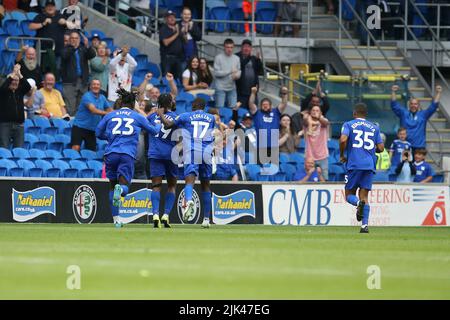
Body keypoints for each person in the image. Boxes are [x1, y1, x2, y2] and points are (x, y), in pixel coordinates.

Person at [95, 88, 161, 228]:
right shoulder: (137, 116)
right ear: (133, 104)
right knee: (123, 186)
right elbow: (154, 131)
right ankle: (122, 190)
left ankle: (116, 220)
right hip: (126, 154)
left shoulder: (110, 115)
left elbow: (98, 132)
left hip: (110, 154)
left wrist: (111, 137)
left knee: (112, 186)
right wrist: (158, 123)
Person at [158, 97, 215, 229]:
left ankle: (189, 201)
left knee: (189, 181)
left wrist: (160, 113)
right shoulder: (211, 118)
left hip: (192, 151)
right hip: (206, 152)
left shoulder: (185, 116)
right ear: (204, 106)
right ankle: (206, 219)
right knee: (206, 186)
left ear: (194, 105)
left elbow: (168, 125)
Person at [340, 103, 384, 234]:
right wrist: (370, 150)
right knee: (365, 195)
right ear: (366, 114)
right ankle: (364, 226)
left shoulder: (348, 124)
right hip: (369, 165)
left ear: (354, 113)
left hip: (354, 164)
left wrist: (342, 154)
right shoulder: (374, 127)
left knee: (349, 195)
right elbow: (381, 148)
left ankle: (358, 203)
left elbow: (343, 140)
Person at [147, 93, 179, 228]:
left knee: (156, 186)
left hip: (155, 154)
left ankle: (155, 214)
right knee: (172, 185)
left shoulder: (151, 117)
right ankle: (165, 215)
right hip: (171, 155)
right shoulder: (176, 118)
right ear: (170, 103)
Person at [391, 85, 442, 151]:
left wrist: (439, 93)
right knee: (406, 161)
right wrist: (393, 91)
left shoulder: (423, 115)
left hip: (419, 147)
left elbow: (434, 106)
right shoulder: (404, 113)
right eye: (412, 104)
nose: (413, 106)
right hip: (405, 147)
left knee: (418, 161)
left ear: (418, 105)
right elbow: (394, 105)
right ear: (409, 105)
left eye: (415, 104)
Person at [249, 86, 288, 165]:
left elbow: (284, 103)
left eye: (267, 104)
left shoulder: (276, 112)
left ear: (271, 105)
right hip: (260, 146)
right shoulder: (257, 113)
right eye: (263, 104)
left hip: (273, 146)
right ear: (260, 106)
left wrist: (285, 93)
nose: (265, 106)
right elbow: (251, 103)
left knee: (273, 168)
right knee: (261, 169)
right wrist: (253, 93)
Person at [61, 30, 97, 116]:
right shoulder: (65, 49)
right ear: (69, 40)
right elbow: (65, 56)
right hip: (70, 83)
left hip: (82, 81)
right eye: (72, 38)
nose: (74, 40)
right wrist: (73, 48)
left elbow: (92, 55)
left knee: (81, 107)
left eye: (76, 38)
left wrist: (87, 45)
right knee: (70, 108)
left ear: (79, 39)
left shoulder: (83, 48)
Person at [71, 79, 112, 151]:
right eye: (94, 84)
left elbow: (109, 109)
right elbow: (93, 110)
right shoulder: (86, 96)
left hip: (92, 130)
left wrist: (116, 113)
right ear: (90, 86)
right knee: (76, 148)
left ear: (100, 87)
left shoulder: (102, 97)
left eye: (97, 84)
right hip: (79, 127)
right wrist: (108, 113)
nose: (95, 86)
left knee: (91, 152)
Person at [0, 64, 32, 148]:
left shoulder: (20, 91)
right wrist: (13, 74)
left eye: (16, 80)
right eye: (12, 80)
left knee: (19, 149)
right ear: (8, 80)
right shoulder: (4, 92)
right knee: (4, 148)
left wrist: (19, 74)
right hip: (5, 125)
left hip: (19, 125)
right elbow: (3, 87)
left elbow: (28, 87)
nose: (14, 82)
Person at [29, 0, 67, 65]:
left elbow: (73, 26)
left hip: (58, 51)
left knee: (56, 72)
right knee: (42, 71)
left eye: (52, 6)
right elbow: (30, 27)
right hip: (43, 51)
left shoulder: (61, 16)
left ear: (55, 7)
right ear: (45, 8)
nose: (50, 8)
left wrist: (66, 22)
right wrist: (43, 24)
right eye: (48, 6)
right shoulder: (40, 16)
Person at [303, 105, 330, 179]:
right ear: (310, 112)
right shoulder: (307, 121)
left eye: (317, 110)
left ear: (321, 112)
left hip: (322, 156)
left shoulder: (324, 121)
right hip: (309, 156)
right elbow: (305, 120)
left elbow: (326, 123)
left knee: (324, 179)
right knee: (309, 178)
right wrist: (307, 117)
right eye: (313, 110)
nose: (315, 112)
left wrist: (319, 117)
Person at [214, 38, 241, 109]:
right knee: (220, 109)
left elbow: (239, 72)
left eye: (231, 47)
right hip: (220, 87)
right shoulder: (218, 58)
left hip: (232, 87)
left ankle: (232, 120)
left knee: (233, 109)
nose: (230, 49)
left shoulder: (236, 58)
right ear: (224, 47)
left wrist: (236, 76)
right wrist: (230, 71)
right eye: (227, 47)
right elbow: (216, 73)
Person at [236, 39, 263, 109]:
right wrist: (249, 57)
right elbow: (241, 65)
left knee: (253, 111)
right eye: (245, 46)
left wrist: (258, 60)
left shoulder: (253, 58)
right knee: (241, 112)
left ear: (251, 48)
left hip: (253, 92)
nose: (246, 48)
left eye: (248, 47)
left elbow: (260, 71)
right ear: (241, 48)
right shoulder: (237, 57)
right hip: (240, 93)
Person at [159, 10, 184, 81]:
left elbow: (185, 41)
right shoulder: (163, 29)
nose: (172, 18)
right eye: (170, 17)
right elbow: (166, 42)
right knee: (166, 78)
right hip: (167, 59)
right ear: (166, 19)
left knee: (178, 79)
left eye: (174, 17)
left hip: (178, 58)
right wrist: (176, 33)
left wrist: (182, 31)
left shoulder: (178, 28)